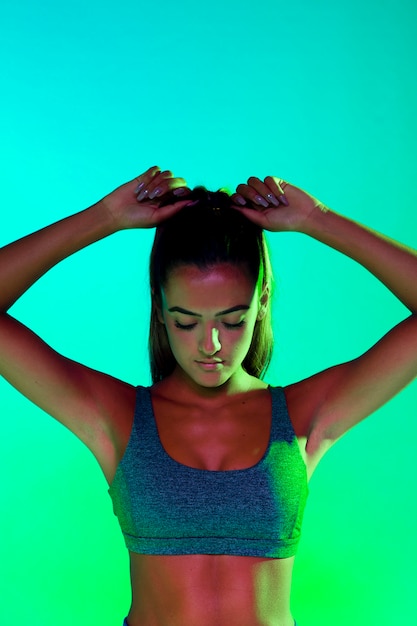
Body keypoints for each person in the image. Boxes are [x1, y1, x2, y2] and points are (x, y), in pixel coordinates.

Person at [0, 165, 416, 626]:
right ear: (159, 310)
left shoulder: (302, 416)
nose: (211, 345)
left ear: (261, 303)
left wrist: (317, 219)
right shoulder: (117, 416)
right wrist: (104, 217)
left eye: (233, 320)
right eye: (185, 320)